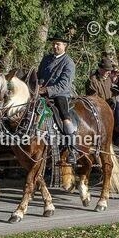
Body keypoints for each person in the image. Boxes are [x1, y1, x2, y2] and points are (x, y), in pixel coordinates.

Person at [37, 36, 78, 165]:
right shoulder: (46, 59)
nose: (55, 46)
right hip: (40, 92)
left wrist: (46, 90)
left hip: (60, 94)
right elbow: (39, 76)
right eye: (54, 44)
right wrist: (37, 85)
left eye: (58, 44)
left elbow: (64, 85)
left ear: (65, 46)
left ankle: (72, 149)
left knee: (64, 116)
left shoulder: (68, 62)